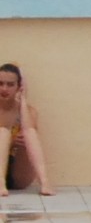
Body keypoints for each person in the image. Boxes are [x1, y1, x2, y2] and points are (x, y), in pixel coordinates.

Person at [0, 62, 51, 197]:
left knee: (30, 132)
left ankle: (45, 183)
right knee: (3, 133)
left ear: (19, 87)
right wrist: (11, 142)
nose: (4, 89)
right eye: (0, 84)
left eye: (10, 84)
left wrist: (22, 100)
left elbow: (30, 132)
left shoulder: (29, 111)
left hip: (18, 172)